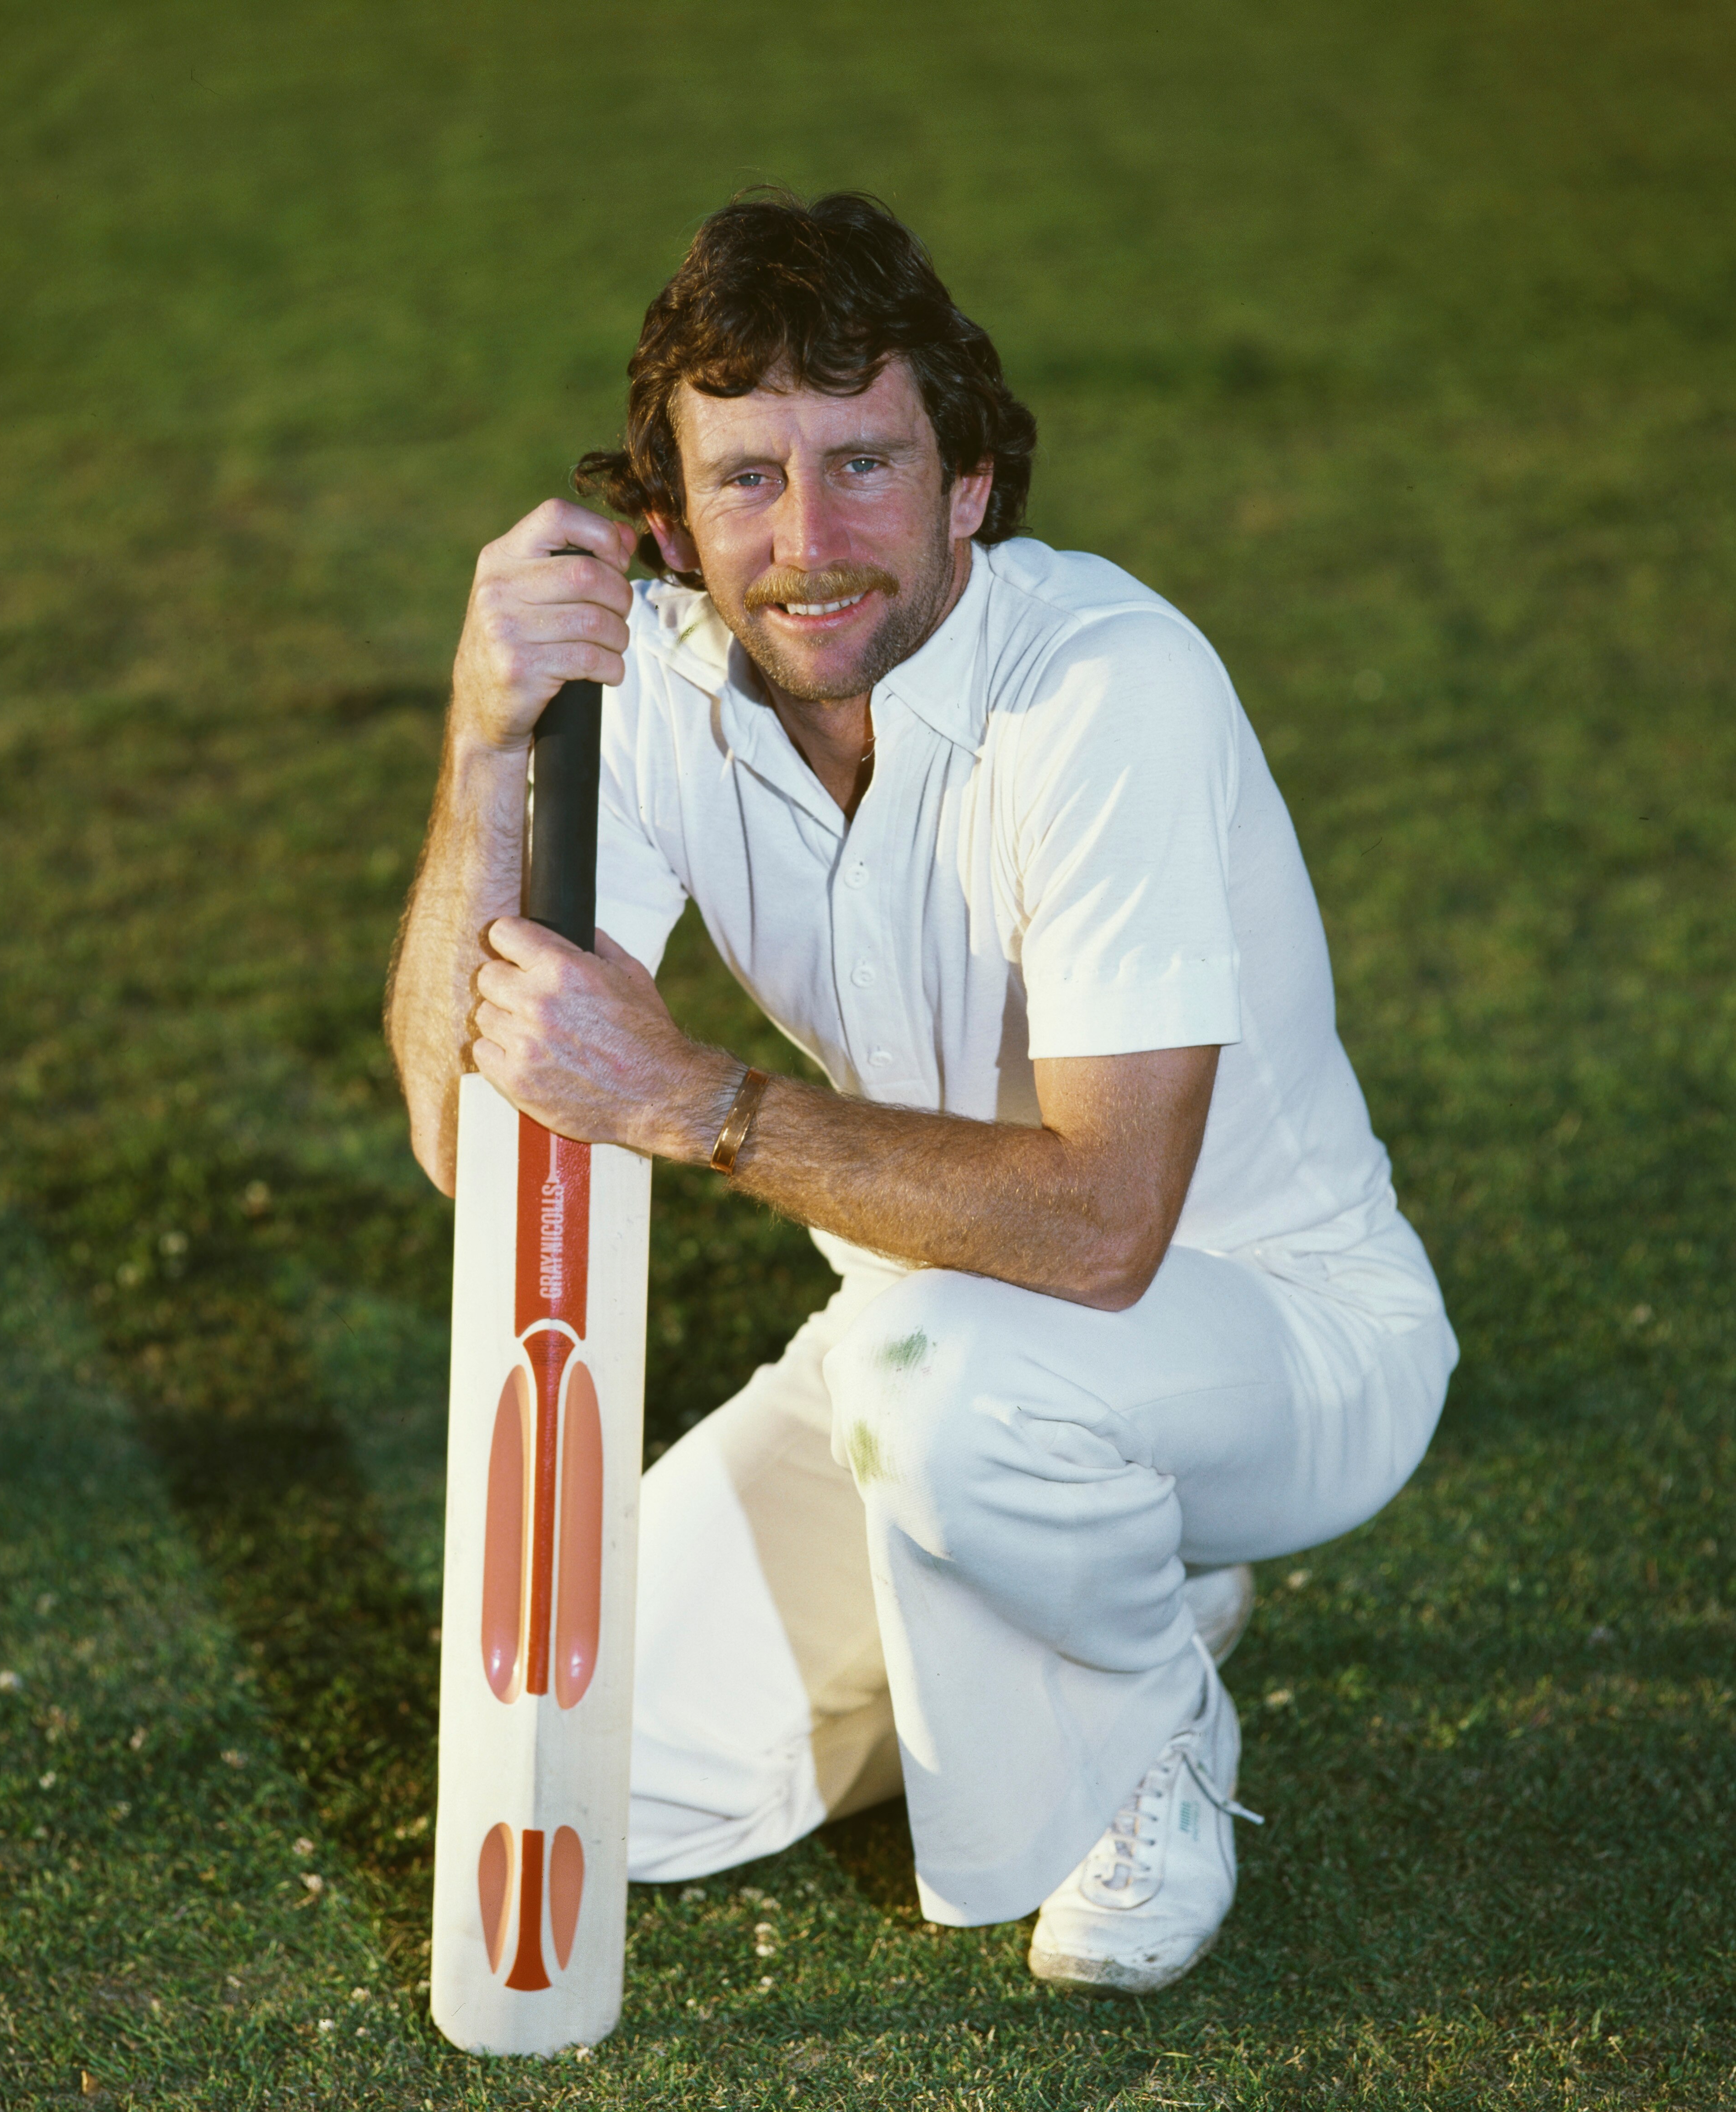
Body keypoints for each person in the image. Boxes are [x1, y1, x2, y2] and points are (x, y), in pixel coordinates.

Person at [386, 190, 1457, 1994]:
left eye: (865, 463)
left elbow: (1112, 1226)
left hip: (1276, 1342)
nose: (810, 541)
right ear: (668, 520)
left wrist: (699, 1104)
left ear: (970, 486)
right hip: (927, 1343)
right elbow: (463, 1139)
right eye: (746, 482)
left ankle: (1140, 1719)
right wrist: (487, 738)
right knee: (586, 1773)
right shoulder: (651, 686)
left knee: (944, 1389)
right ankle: (1054, 1579)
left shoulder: (1112, 688)